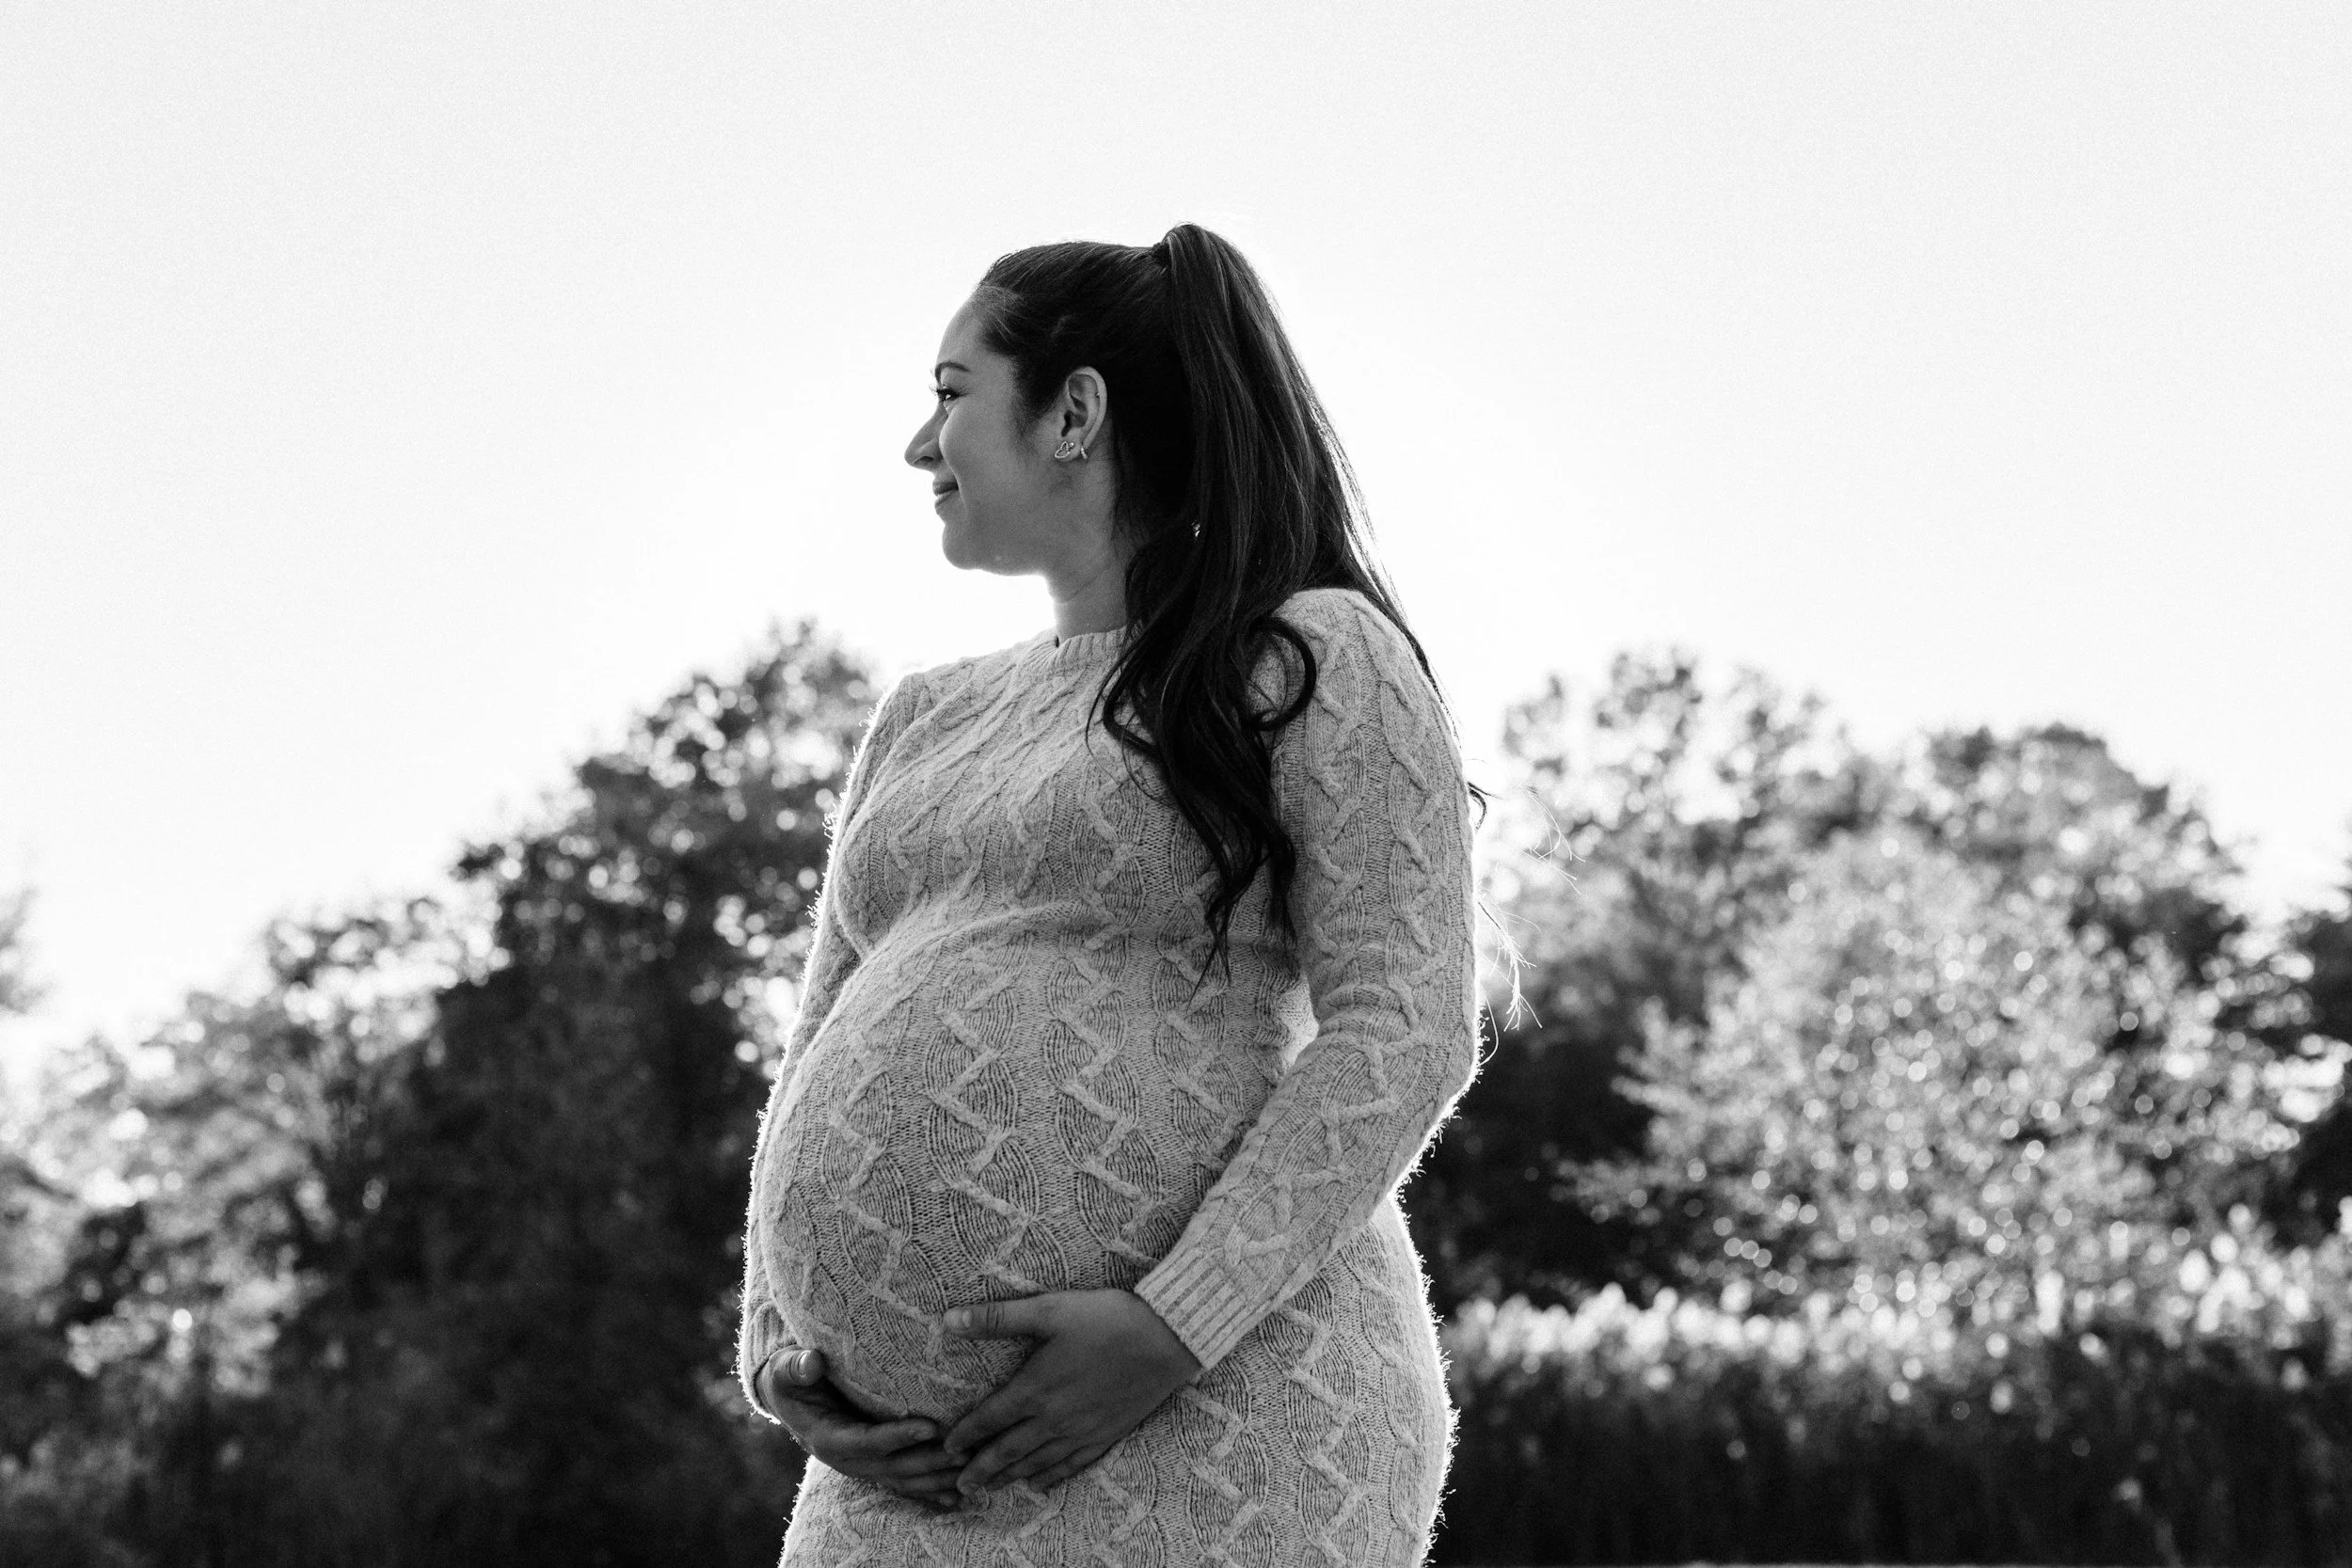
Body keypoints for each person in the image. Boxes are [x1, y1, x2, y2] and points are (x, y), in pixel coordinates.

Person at [735, 222, 1496, 1567]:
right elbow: (817, 1046)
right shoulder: (922, 719)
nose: (920, 445)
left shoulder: (1310, 657)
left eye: (953, 393)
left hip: (1224, 1417)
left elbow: (1406, 1026)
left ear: (1074, 412)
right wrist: (780, 1353)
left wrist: (1172, 1325)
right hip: (904, 1480)